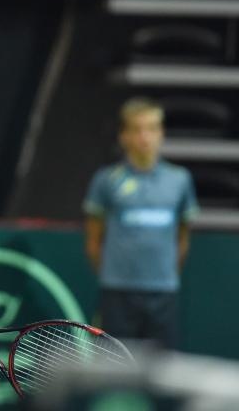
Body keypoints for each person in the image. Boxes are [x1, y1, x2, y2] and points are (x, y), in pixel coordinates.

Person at [83, 97, 199, 348]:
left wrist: (164, 274)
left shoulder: (180, 180)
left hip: (163, 293)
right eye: (136, 129)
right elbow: (93, 241)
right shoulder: (106, 180)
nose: (144, 137)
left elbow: (183, 238)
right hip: (117, 294)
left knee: (163, 373)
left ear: (161, 134)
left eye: (151, 128)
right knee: (114, 370)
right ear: (124, 136)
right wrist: (113, 275)